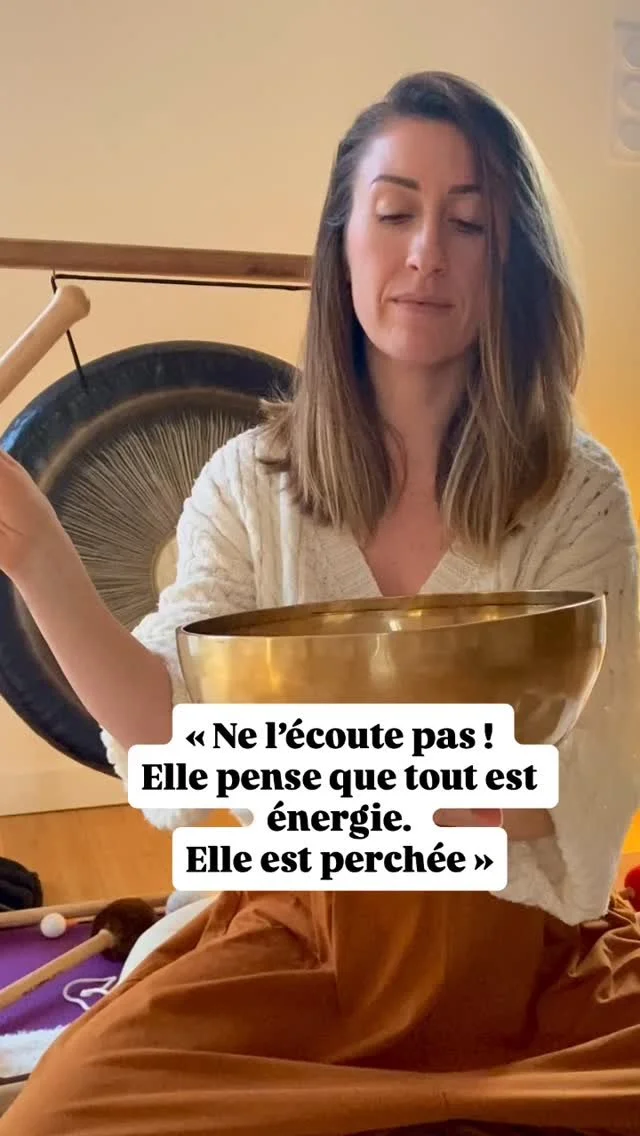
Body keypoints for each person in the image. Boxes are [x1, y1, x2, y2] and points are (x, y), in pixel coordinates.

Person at [1, 69, 639, 1136]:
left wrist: (281, 768)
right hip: (301, 939)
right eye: (394, 213)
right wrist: (33, 555)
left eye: (469, 223)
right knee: (56, 1116)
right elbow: (170, 735)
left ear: (509, 261)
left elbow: (575, 775)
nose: (427, 253)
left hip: (523, 948)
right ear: (342, 241)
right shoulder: (246, 483)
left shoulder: (574, 488)